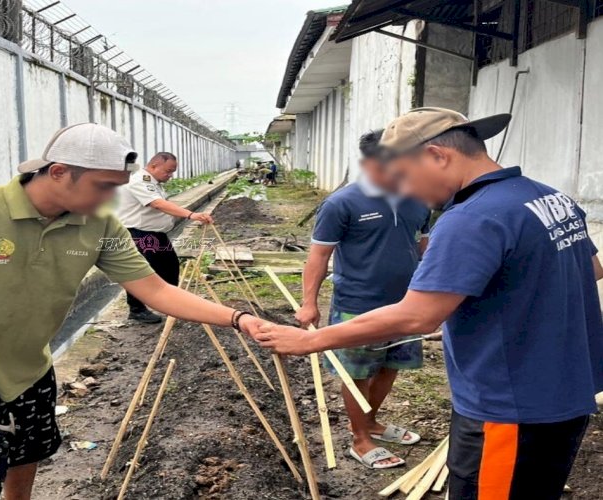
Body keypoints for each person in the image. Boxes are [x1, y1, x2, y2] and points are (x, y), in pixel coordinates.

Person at [0, 123, 265, 500]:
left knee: (26, 457)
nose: (111, 198)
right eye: (103, 186)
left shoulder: (99, 225)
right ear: (59, 172)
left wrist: (238, 318)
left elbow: (155, 290)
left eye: (116, 187)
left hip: (32, 373)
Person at [253, 107, 603, 499]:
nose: (403, 190)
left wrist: (310, 341)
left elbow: (419, 315)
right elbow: (592, 269)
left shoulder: (470, 217)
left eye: (403, 176)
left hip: (508, 404)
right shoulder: (549, 198)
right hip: (567, 393)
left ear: (437, 155)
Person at [298, 129, 431, 469]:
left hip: (407, 304)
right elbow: (318, 257)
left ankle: (371, 422)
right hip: (357, 303)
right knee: (357, 373)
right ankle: (360, 440)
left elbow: (421, 246)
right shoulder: (342, 203)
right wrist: (309, 303)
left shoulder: (417, 199)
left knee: (390, 366)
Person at [115, 152, 214, 323]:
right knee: (143, 271)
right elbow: (158, 204)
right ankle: (137, 310)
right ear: (153, 166)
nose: (170, 175)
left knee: (169, 267)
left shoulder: (153, 182)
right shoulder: (140, 181)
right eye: (168, 171)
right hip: (140, 233)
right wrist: (191, 215)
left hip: (153, 233)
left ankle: (172, 304)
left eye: (172, 172)